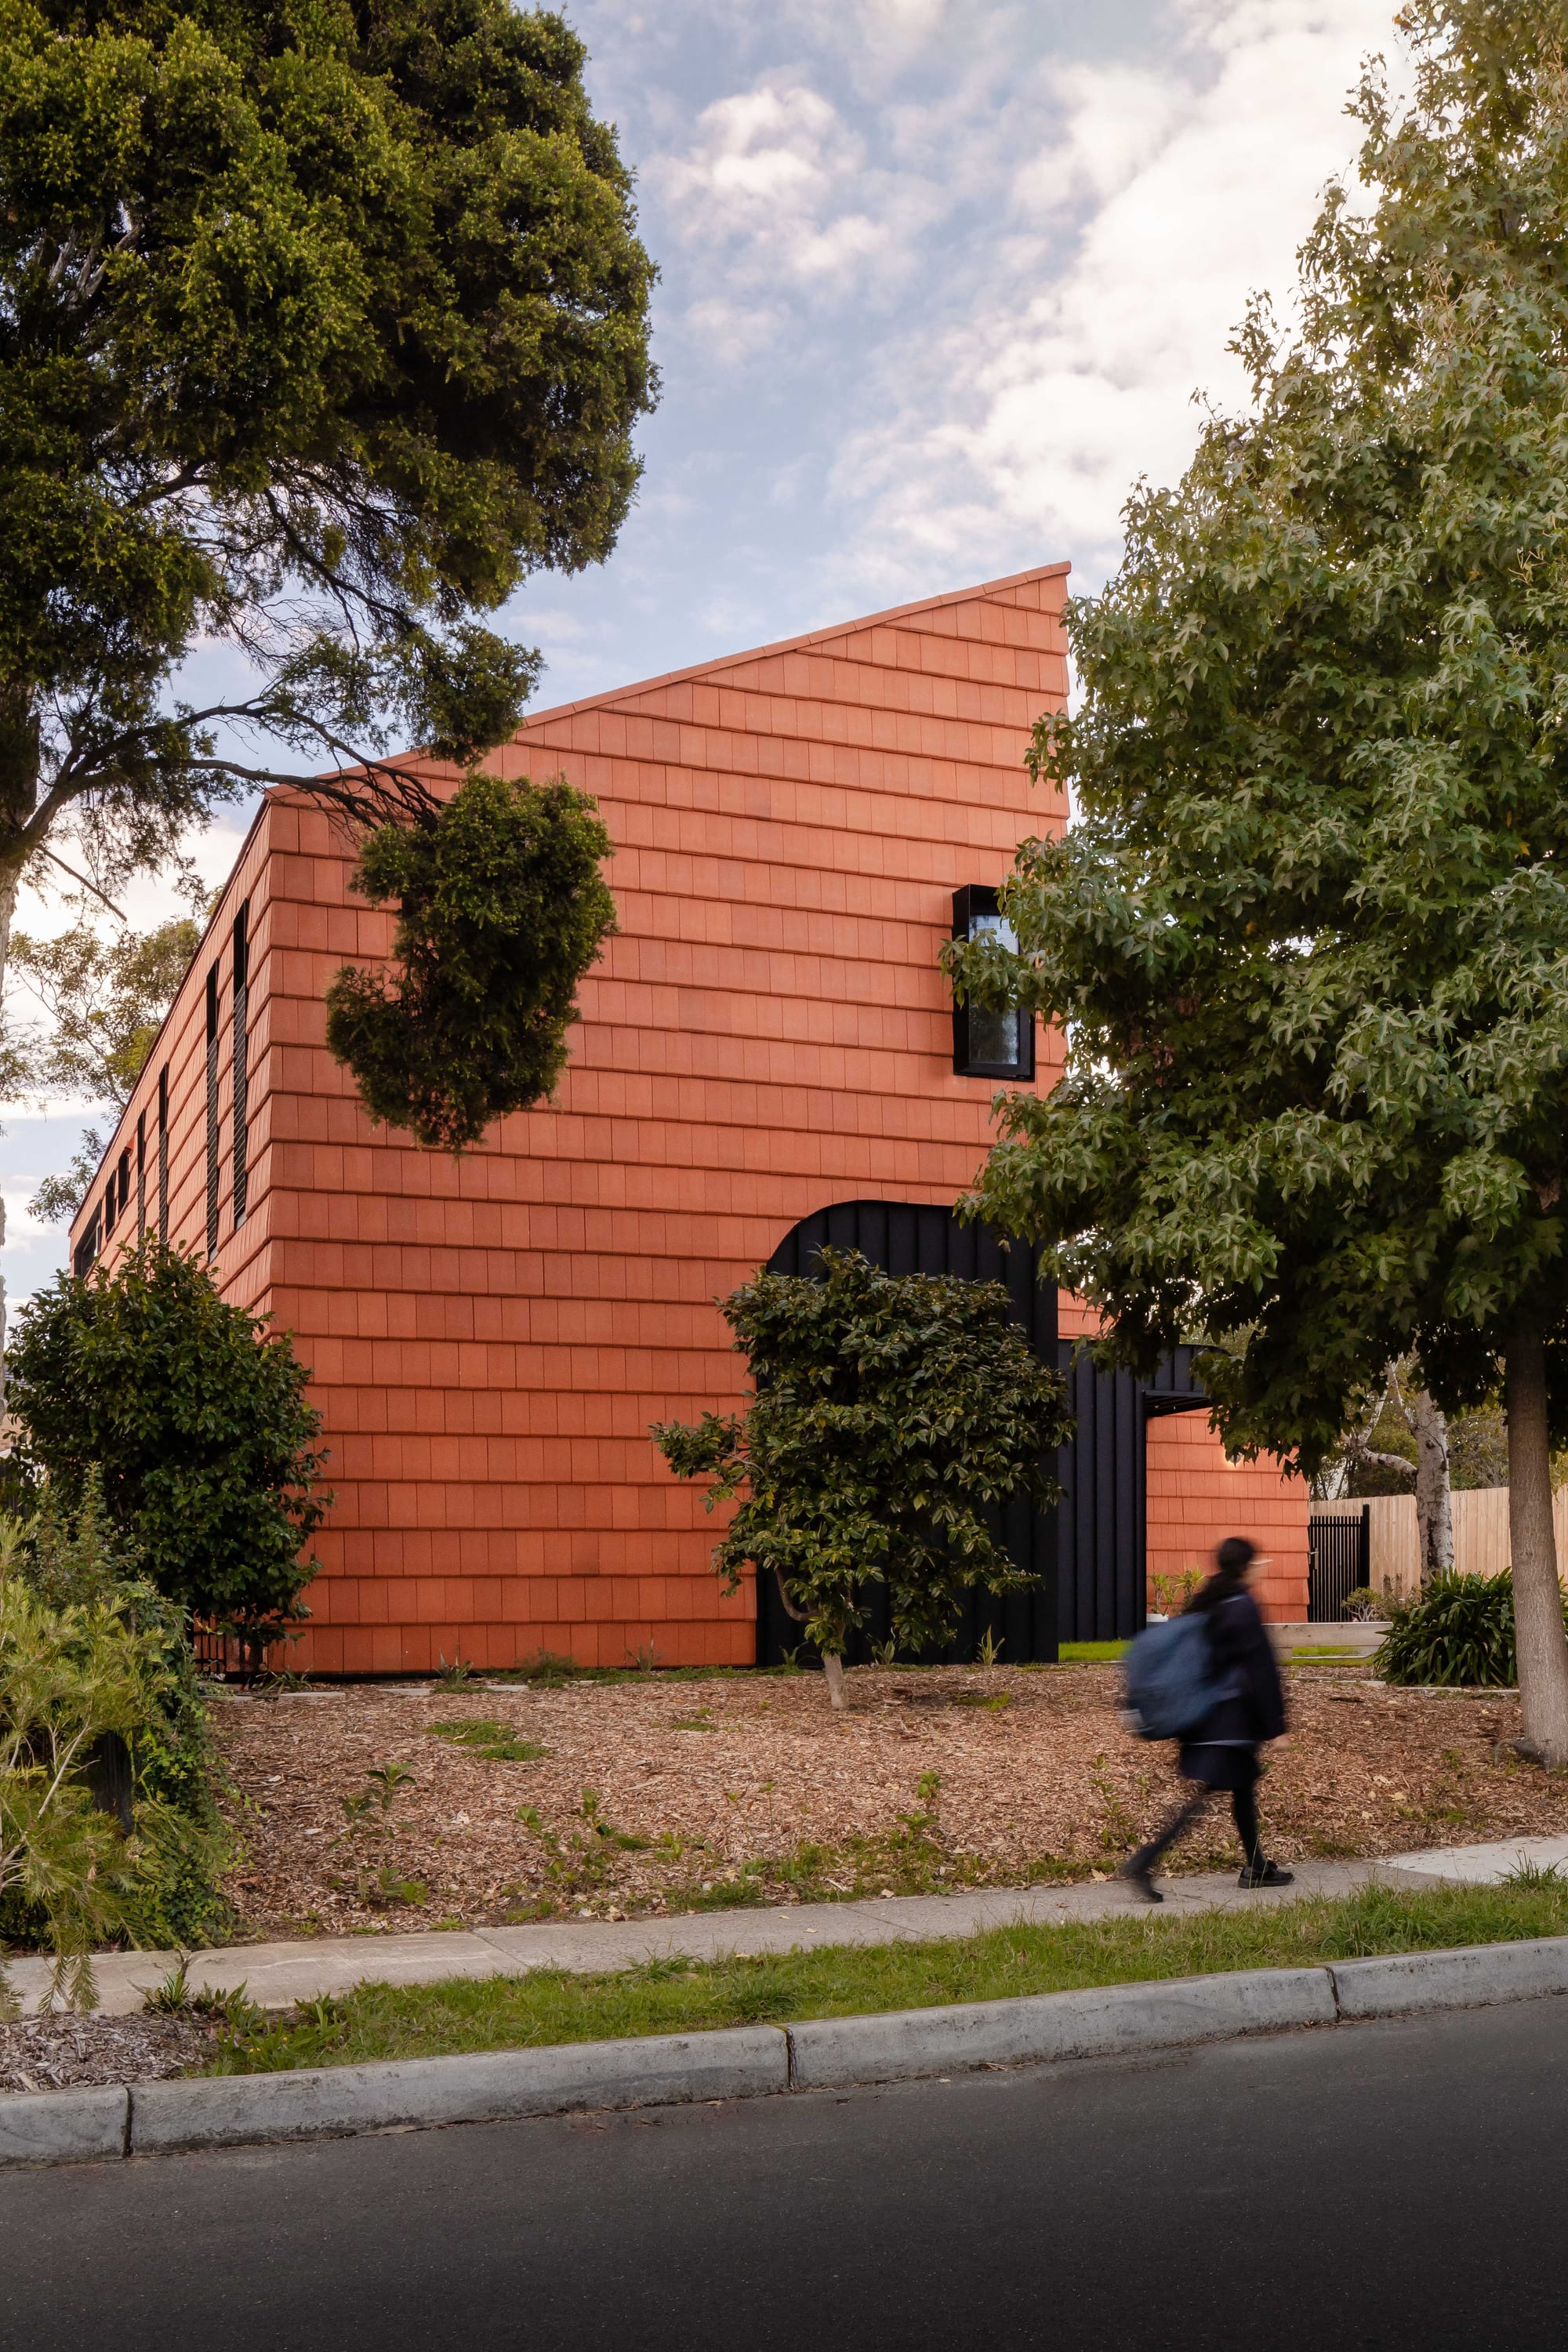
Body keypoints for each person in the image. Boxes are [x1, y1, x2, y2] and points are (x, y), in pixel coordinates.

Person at [1120, 1535, 1293, 1902]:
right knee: (1206, 1797)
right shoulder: (1242, 1607)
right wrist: (1277, 1727)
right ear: (1246, 1568)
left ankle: (1258, 1867)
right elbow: (1261, 1671)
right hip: (1229, 1723)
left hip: (1203, 1718)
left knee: (1242, 1789)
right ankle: (1145, 1861)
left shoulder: (1209, 1600)